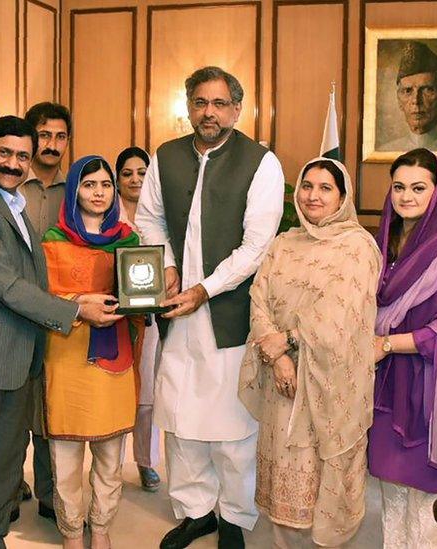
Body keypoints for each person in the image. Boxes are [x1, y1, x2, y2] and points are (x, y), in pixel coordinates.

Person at [0, 116, 120, 548]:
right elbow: (5, 284)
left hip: (18, 358)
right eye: (4, 153)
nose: (13, 163)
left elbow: (32, 281)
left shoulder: (14, 204)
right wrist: (75, 309)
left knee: (3, 467)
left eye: (22, 155)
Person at [136, 66, 285, 549]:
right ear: (189, 107)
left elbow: (258, 244)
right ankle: (196, 511)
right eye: (201, 103)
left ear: (237, 110)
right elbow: (149, 218)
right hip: (178, 310)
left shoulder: (261, 162)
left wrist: (206, 288)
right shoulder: (167, 156)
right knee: (179, 420)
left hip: (229, 312)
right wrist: (169, 267)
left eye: (220, 104)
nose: (209, 113)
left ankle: (235, 518)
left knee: (232, 427)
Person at [238, 158, 380, 548]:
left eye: (325, 188)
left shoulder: (357, 247)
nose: (313, 195)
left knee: (322, 481)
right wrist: (278, 355)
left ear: (342, 196)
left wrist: (286, 341)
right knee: (283, 484)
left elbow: (341, 316)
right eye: (307, 185)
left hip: (328, 385)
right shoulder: (284, 243)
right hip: (280, 381)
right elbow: (259, 299)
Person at [366, 148, 437, 548]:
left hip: (424, 380)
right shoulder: (380, 244)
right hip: (381, 380)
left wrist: (388, 344)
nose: (406, 196)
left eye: (418, 187)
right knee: (389, 487)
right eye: (398, 187)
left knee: (422, 491)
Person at [42, 155, 144, 549]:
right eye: (89, 185)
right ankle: (71, 531)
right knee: (66, 454)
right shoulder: (53, 240)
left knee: (110, 449)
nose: (98, 192)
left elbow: (140, 293)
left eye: (105, 185)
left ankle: (100, 527)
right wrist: (80, 302)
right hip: (67, 354)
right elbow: (43, 298)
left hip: (114, 354)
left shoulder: (129, 239)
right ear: (74, 191)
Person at [18, 100, 73, 522]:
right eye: (44, 136)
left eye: (60, 136)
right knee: (18, 405)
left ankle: (51, 496)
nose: (52, 144)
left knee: (51, 408)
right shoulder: (13, 185)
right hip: (14, 309)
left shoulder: (77, 188)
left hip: (62, 314)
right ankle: (6, 490)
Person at [115, 145, 163, 492]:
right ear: (117, 179)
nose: (134, 179)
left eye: (141, 173)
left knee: (146, 394)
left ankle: (145, 462)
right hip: (114, 317)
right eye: (127, 173)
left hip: (150, 315)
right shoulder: (105, 213)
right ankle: (110, 466)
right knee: (116, 390)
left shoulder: (158, 215)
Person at [379, 41, 437, 152]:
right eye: (408, 91)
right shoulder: (386, 151)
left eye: (427, 90)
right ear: (399, 100)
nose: (416, 101)